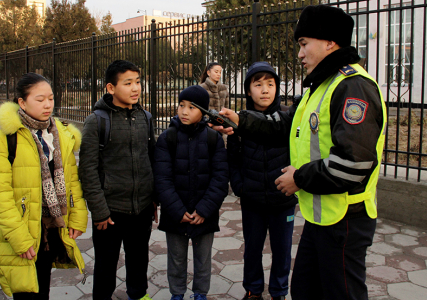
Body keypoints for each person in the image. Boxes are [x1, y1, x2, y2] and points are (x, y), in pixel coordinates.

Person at [213, 5, 387, 300]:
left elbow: (353, 165)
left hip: (344, 222)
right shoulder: (320, 87)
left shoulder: (352, 87)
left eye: (304, 44)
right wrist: (240, 121)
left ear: (329, 42)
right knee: (305, 290)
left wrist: (300, 178)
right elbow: (283, 126)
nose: (300, 54)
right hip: (320, 220)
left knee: (342, 293)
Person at [0, 73, 88, 299]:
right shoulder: (4, 140)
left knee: (42, 285)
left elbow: (72, 181)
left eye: (51, 98)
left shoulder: (61, 134)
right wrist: (20, 239)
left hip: (51, 227)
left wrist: (78, 217)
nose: (47, 105)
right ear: (22, 103)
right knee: (26, 291)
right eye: (40, 99)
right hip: (22, 231)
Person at [78, 60, 156, 300]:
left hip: (141, 207)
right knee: (105, 263)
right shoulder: (97, 121)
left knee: (139, 258)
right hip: (110, 212)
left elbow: (151, 160)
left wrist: (153, 199)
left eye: (138, 82)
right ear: (111, 88)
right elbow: (88, 170)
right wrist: (100, 211)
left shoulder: (146, 117)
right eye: (128, 83)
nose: (136, 88)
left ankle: (138, 294)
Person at [227, 62, 297, 300]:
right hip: (252, 200)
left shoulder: (288, 118)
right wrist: (240, 187)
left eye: (270, 84)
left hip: (283, 200)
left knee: (282, 250)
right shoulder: (239, 120)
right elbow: (233, 157)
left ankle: (279, 292)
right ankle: (253, 290)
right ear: (248, 90)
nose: (265, 90)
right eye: (258, 85)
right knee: (253, 249)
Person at [153, 85, 229, 300]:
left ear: (204, 112)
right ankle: (177, 293)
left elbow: (220, 179)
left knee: (203, 258)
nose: (184, 112)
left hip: (204, 212)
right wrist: (177, 210)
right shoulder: (167, 138)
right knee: (176, 257)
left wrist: (204, 209)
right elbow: (162, 179)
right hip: (175, 213)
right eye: (181, 105)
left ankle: (200, 293)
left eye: (192, 107)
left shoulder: (213, 139)